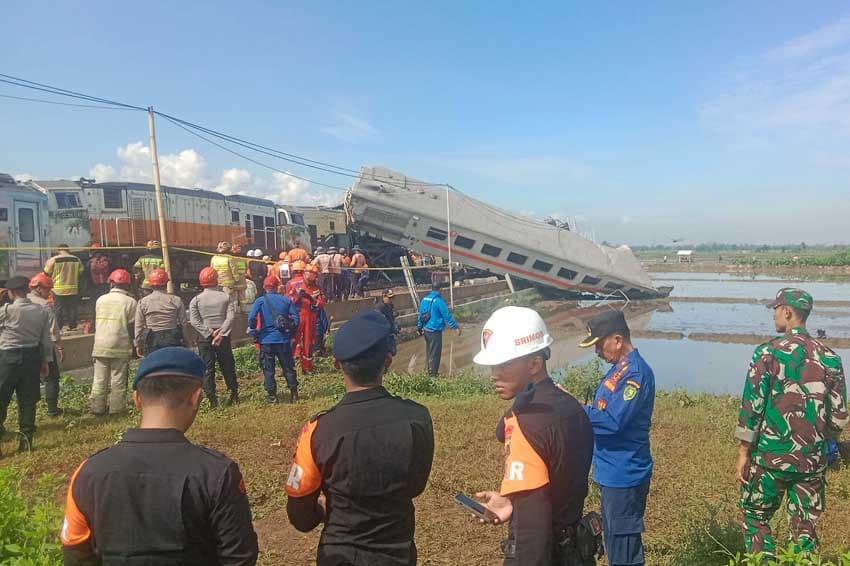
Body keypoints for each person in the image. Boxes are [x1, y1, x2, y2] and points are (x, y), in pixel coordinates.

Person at [60, 347, 259, 565]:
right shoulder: (217, 473)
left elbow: (76, 554)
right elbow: (239, 558)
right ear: (196, 397)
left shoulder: (87, 473)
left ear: (137, 399)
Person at [286, 309, 434, 566]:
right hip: (397, 554)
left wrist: (322, 507)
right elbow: (415, 486)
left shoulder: (318, 430)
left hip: (340, 556)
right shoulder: (418, 418)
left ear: (336, 364)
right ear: (387, 360)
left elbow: (301, 517)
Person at [474, 307, 596, 565]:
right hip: (575, 549)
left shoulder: (525, 425)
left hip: (545, 552)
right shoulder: (571, 406)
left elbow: (532, 529)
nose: (494, 373)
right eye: (493, 365)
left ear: (534, 363)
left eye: (504, 363)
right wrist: (512, 504)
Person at [735, 288, 848, 556]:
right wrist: (821, 438)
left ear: (787, 312)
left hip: (770, 459)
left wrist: (743, 451)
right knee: (804, 529)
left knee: (756, 517)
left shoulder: (767, 353)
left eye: (776, 309)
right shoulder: (830, 357)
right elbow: (840, 417)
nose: (774, 314)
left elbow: (753, 406)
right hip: (812, 460)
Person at [578, 309, 655, 566]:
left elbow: (613, 421)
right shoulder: (617, 370)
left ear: (618, 340)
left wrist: (577, 408)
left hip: (625, 473)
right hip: (611, 471)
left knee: (624, 551)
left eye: (599, 345)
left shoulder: (635, 374)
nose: (597, 352)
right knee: (612, 542)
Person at [0, 276, 51, 454]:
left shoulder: (6, 311)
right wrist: (45, 361)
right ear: (28, 291)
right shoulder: (41, 310)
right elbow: (45, 339)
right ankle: (26, 441)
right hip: (32, 358)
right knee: (28, 400)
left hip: (8, 358)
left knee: (1, 399)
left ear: (11, 292)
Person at [90, 269, 138, 415]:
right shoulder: (131, 302)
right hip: (120, 345)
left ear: (111, 283)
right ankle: (116, 409)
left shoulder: (100, 300)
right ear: (128, 285)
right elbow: (131, 327)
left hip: (100, 345)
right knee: (118, 379)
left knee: (99, 380)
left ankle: (97, 408)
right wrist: (134, 345)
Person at [190, 267, 238, 408]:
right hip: (223, 337)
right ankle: (234, 394)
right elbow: (230, 317)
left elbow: (194, 321)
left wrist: (210, 333)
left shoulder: (196, 300)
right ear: (216, 280)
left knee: (207, 368)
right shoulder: (226, 297)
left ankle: (212, 399)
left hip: (204, 337)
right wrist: (221, 333)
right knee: (227, 365)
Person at [248, 275, 300, 404]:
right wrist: (289, 331)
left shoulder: (260, 301)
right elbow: (296, 319)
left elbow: (252, 318)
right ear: (277, 287)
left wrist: (254, 330)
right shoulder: (286, 300)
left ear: (265, 287)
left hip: (266, 340)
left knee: (268, 369)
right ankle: (294, 393)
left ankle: (272, 397)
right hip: (283, 340)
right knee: (288, 367)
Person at [28, 273, 64, 417]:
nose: (49, 293)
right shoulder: (45, 306)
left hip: (27, 347)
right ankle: (52, 409)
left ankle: (29, 408)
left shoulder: (23, 302)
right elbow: (53, 329)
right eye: (47, 289)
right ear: (38, 288)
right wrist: (59, 346)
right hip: (45, 347)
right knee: (52, 377)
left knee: (29, 379)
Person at [135, 268, 187, 356]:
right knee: (172, 364)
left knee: (155, 365)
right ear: (166, 283)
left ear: (151, 284)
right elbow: (184, 323)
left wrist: (138, 344)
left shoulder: (143, 302)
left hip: (152, 339)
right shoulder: (176, 300)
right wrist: (186, 340)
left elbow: (138, 326)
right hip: (172, 337)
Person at [416, 282, 460, 376]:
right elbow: (447, 315)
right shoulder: (439, 301)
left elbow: (420, 314)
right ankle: (433, 376)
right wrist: (455, 327)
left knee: (429, 352)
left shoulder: (424, 299)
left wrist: (419, 327)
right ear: (440, 289)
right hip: (434, 331)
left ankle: (428, 372)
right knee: (435, 354)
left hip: (426, 330)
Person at [293, 264, 325, 373]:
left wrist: (310, 299)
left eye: (314, 275)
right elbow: (288, 301)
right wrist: (297, 297)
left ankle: (307, 367)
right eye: (310, 275)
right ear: (305, 274)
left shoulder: (317, 288)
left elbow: (321, 303)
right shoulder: (295, 285)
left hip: (311, 318)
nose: (312, 278)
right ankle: (289, 365)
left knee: (309, 343)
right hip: (297, 316)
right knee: (293, 341)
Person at [44, 244, 83, 331]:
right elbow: (81, 271)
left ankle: (59, 327)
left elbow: (46, 272)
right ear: (68, 250)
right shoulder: (76, 259)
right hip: (73, 288)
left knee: (58, 309)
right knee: (72, 309)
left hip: (58, 289)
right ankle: (73, 326)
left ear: (59, 250)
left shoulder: (53, 260)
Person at [211, 241, 238, 305]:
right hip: (228, 284)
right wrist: (237, 279)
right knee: (229, 301)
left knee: (219, 300)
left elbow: (212, 270)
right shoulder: (229, 258)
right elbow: (234, 270)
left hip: (218, 283)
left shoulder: (214, 258)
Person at [86, 244, 111, 308]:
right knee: (96, 304)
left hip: (104, 285)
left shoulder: (104, 260)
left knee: (102, 303)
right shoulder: (91, 262)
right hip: (95, 286)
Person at [379, 289, 400, 355]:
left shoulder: (390, 305)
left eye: (392, 298)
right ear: (384, 297)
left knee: (393, 352)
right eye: (389, 298)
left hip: (391, 332)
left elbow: (392, 316)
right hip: (384, 335)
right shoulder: (380, 307)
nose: (391, 300)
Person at [231, 244, 248, 312]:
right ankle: (243, 310)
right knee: (243, 298)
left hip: (235, 281)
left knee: (234, 298)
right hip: (242, 280)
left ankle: (235, 311)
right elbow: (246, 268)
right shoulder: (243, 259)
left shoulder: (232, 259)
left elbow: (232, 269)